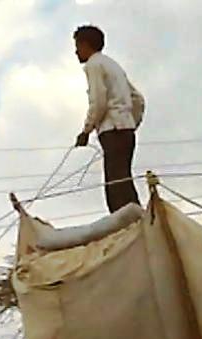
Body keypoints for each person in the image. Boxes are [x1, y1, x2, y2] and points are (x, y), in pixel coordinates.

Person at [73, 24, 145, 213]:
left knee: (115, 186)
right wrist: (130, 122)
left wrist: (86, 130)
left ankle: (127, 227)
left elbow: (98, 101)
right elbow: (137, 99)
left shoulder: (93, 65)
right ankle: (140, 221)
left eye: (77, 46)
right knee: (124, 181)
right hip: (126, 131)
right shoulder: (113, 65)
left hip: (112, 131)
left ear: (86, 45)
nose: (76, 52)